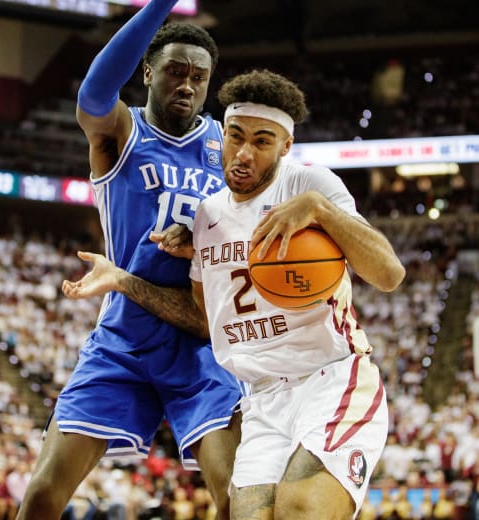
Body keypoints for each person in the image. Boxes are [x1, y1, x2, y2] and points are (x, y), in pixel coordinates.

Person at [61, 68, 406, 519]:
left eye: (262, 142)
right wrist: (124, 281)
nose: (243, 153)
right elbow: (204, 322)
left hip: (330, 379)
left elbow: (389, 273)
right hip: (261, 398)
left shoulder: (308, 185)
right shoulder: (208, 216)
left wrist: (321, 211)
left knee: (300, 509)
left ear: (285, 147)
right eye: (235, 136)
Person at [17, 1, 243, 518]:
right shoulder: (122, 132)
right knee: (44, 494)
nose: (187, 85)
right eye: (175, 72)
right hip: (126, 336)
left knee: (234, 495)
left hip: (201, 336)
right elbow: (93, 94)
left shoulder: (226, 146)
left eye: (199, 77)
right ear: (147, 72)